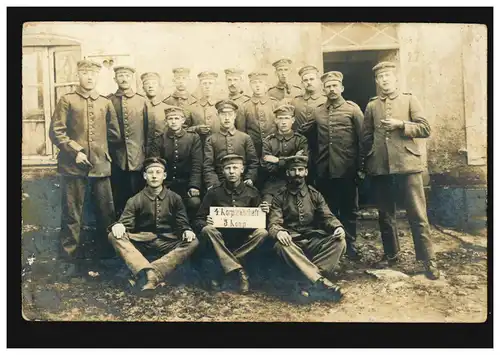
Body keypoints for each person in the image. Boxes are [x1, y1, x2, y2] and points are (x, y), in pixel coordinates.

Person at [360, 61, 440, 280]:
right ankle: (391, 256)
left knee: (417, 214)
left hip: (407, 165)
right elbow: (366, 138)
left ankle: (428, 260)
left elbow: (425, 128)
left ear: (395, 78)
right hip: (381, 168)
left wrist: (401, 125)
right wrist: (366, 163)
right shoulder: (372, 106)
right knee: (385, 215)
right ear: (376, 81)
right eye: (380, 77)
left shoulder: (409, 99)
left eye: (388, 75)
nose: (385, 80)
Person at [49, 59, 121, 266]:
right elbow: (56, 132)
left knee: (106, 213)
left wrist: (101, 151)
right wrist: (75, 151)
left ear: (97, 77)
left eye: (93, 74)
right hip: (73, 167)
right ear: (78, 75)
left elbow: (114, 134)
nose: (89, 77)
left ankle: (108, 258)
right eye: (85, 73)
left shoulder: (105, 103)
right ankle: (67, 260)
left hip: (100, 166)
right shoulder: (67, 100)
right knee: (72, 214)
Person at [108, 157, 199, 296]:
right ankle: (149, 272)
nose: (154, 176)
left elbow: (182, 222)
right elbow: (126, 222)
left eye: (158, 172)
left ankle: (150, 272)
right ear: (145, 176)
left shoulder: (175, 198)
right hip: (143, 242)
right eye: (150, 172)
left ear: (164, 175)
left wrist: (186, 230)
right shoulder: (136, 199)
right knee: (113, 235)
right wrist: (119, 225)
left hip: (167, 242)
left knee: (193, 241)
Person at [300, 71, 364, 260]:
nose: (331, 89)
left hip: (347, 170)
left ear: (341, 88)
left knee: (349, 209)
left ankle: (350, 245)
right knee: (327, 209)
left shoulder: (352, 110)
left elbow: (363, 140)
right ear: (324, 89)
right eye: (328, 86)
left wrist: (361, 168)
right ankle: (330, 246)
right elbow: (305, 134)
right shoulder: (318, 111)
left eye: (335, 85)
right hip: (324, 170)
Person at [268, 155, 346, 301]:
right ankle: (319, 282)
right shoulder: (279, 197)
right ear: (287, 173)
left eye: (300, 169)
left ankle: (307, 281)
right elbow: (273, 222)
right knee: (281, 245)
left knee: (339, 242)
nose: (297, 173)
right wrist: (279, 232)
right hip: (292, 244)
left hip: (313, 240)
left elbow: (327, 216)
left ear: (306, 172)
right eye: (293, 170)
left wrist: (337, 227)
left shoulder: (314, 194)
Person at [194, 154, 270, 294]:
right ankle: (239, 271)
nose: (231, 171)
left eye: (235, 167)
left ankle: (224, 268)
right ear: (222, 171)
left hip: (244, 241)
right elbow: (198, 219)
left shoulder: (252, 193)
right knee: (207, 229)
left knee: (262, 233)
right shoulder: (214, 193)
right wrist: (206, 221)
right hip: (221, 240)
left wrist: (264, 212)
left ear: (242, 170)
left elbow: (260, 223)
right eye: (227, 168)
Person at [107, 65, 150, 218]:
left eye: (127, 75)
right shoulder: (108, 100)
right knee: (118, 196)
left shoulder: (142, 101)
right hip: (115, 159)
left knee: (137, 195)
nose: (124, 78)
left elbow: (148, 130)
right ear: (115, 79)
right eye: (120, 75)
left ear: (132, 79)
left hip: (138, 158)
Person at [152, 106, 202, 221]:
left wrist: (194, 186)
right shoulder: (160, 139)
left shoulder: (193, 138)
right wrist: (160, 186)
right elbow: (156, 165)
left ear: (183, 120)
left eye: (176, 118)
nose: (173, 122)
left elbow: (196, 164)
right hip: (166, 184)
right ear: (166, 121)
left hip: (186, 185)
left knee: (194, 202)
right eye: (170, 119)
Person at [204, 100, 259, 190]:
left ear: (235, 115)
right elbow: (208, 166)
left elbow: (253, 163)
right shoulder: (211, 140)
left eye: (230, 114)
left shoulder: (245, 138)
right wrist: (213, 184)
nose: (227, 118)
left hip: (242, 183)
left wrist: (249, 178)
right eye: (223, 114)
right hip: (219, 184)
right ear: (218, 116)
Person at [261, 104, 309, 204]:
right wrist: (292, 160)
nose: (283, 122)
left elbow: (302, 162)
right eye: (280, 118)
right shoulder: (268, 141)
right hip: (273, 185)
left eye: (287, 118)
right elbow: (266, 166)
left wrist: (277, 160)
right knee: (266, 206)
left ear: (293, 120)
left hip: (296, 183)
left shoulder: (300, 140)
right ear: (275, 120)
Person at [236, 71, 279, 162]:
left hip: (274, 147)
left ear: (266, 85)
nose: (257, 85)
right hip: (253, 149)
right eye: (254, 83)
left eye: (260, 82)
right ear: (250, 85)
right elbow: (241, 133)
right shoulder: (244, 106)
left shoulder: (275, 103)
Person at [140, 71, 174, 156]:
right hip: (141, 153)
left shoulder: (167, 108)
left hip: (163, 152)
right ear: (143, 88)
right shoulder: (138, 107)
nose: (150, 86)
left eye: (154, 83)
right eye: (147, 83)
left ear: (160, 87)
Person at [186, 71, 220, 144]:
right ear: (200, 86)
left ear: (215, 85)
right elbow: (184, 129)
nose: (207, 86)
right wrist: (196, 129)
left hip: (218, 146)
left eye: (210, 83)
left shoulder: (222, 106)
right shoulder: (192, 107)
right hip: (198, 146)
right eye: (204, 83)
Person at [291, 65, 327, 130]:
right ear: (302, 83)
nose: (309, 82)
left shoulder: (325, 100)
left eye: (312, 79)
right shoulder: (295, 101)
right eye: (305, 80)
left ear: (318, 81)